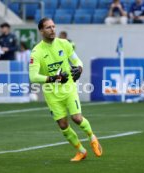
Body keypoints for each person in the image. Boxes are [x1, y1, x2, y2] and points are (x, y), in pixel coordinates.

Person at [29, 18, 102, 162]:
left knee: (76, 118)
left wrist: (80, 69)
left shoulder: (65, 44)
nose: (52, 30)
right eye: (48, 27)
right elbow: (33, 76)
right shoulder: (36, 52)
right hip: (52, 94)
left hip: (69, 89)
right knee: (63, 125)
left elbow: (77, 61)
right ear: (41, 31)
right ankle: (81, 151)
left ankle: (92, 137)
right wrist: (53, 78)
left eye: (53, 26)